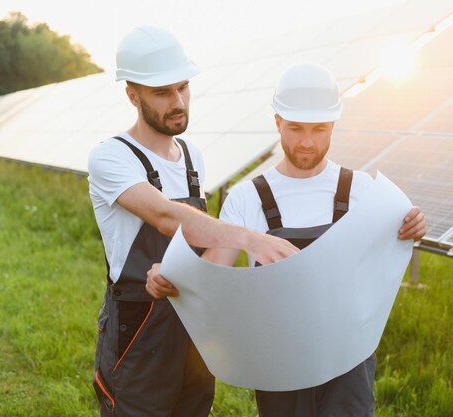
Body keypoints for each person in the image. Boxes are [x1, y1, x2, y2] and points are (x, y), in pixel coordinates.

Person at [147, 62, 427, 416]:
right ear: (277, 121)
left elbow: (388, 254)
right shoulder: (247, 197)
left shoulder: (363, 192)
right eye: (295, 128)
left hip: (348, 358)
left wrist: (413, 226)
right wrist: (171, 277)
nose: (307, 142)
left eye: (319, 129)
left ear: (334, 126)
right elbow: (213, 270)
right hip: (279, 363)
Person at [87, 26, 298, 417]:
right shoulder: (111, 158)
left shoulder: (191, 156)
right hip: (139, 327)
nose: (179, 101)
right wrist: (251, 238)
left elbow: (201, 240)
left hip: (195, 321)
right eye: (162, 92)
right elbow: (167, 217)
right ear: (132, 95)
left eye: (183, 88)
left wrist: (197, 273)